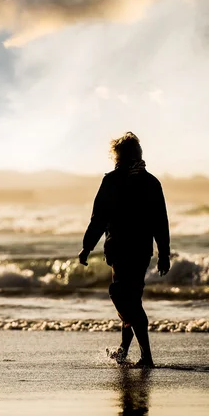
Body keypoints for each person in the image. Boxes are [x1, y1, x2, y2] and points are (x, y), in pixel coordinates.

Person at [78, 132, 170, 368]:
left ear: (119, 155)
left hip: (124, 251)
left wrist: (87, 247)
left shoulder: (115, 181)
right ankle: (125, 351)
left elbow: (98, 219)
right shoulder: (150, 182)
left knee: (122, 296)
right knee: (130, 299)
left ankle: (146, 357)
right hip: (137, 252)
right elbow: (160, 222)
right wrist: (163, 254)